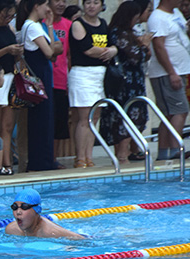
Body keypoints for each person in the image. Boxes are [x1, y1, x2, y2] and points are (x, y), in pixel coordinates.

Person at [99, 1, 151, 164]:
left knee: (132, 116)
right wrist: (144, 45)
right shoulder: (118, 32)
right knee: (125, 117)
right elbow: (135, 56)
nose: (136, 20)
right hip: (125, 84)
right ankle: (122, 155)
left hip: (133, 83)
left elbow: (143, 55)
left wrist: (143, 47)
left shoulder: (128, 32)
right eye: (135, 17)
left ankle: (126, 153)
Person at [68, 0, 117, 168]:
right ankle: (80, 158)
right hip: (83, 74)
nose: (91, 6)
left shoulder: (103, 23)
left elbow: (114, 45)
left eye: (95, 2)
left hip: (100, 75)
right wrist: (107, 52)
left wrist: (113, 51)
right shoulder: (78, 24)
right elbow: (87, 49)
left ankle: (89, 157)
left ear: (101, 5)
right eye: (88, 2)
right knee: (84, 118)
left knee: (94, 117)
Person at [147, 0, 190, 160]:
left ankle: (163, 153)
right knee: (179, 110)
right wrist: (171, 72)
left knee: (169, 113)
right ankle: (175, 149)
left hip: (180, 70)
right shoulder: (157, 17)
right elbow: (159, 46)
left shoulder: (176, 13)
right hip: (166, 73)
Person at [17, 0, 60, 171]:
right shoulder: (32, 26)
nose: (48, 9)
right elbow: (50, 52)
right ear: (36, 6)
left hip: (43, 77)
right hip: (39, 78)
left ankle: (43, 161)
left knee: (43, 121)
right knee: (41, 122)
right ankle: (40, 162)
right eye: (45, 5)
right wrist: (52, 41)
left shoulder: (35, 26)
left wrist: (49, 27)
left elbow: (56, 51)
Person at [0, 0, 20, 176]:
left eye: (11, 15)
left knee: (7, 126)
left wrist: (16, 52)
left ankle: (7, 162)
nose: (8, 18)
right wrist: (7, 50)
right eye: (5, 14)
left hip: (9, 78)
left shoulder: (9, 29)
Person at [5, 189, 85, 239]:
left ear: (37, 210)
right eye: (15, 207)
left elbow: (83, 240)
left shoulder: (51, 232)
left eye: (24, 207)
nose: (18, 212)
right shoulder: (11, 230)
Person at [49, 0, 72, 169]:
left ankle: (53, 158)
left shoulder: (69, 25)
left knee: (58, 122)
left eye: (64, 1)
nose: (61, 4)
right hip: (44, 80)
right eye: (57, 0)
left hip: (61, 79)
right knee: (44, 122)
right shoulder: (42, 24)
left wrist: (69, 80)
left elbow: (70, 55)